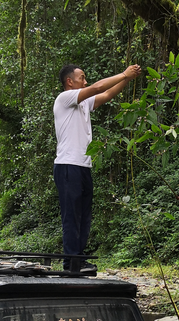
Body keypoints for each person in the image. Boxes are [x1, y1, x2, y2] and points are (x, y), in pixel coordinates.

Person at [53, 63, 141, 270]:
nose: (85, 81)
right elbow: (98, 87)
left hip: (83, 166)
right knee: (71, 216)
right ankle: (71, 262)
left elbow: (107, 94)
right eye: (81, 78)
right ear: (69, 81)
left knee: (83, 215)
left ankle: (79, 260)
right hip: (67, 165)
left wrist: (126, 79)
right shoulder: (64, 98)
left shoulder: (83, 104)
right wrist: (123, 73)